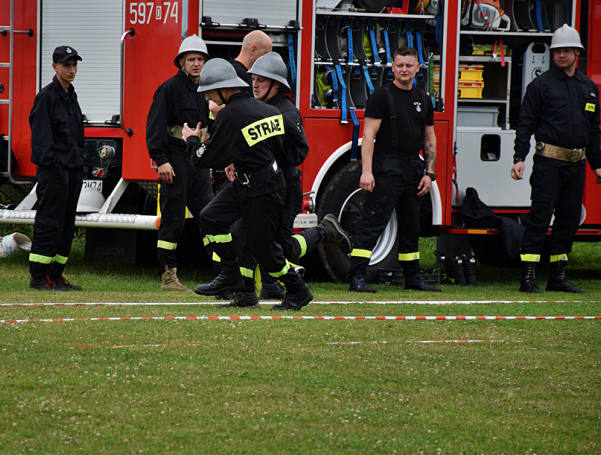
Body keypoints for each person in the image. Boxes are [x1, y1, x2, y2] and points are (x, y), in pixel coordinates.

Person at [182, 58, 314, 311]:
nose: (208, 96)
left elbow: (205, 159)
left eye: (209, 91)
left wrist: (191, 141)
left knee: (267, 254)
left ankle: (298, 290)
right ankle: (233, 275)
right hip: (250, 185)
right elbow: (290, 147)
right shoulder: (267, 111)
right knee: (210, 216)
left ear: (223, 88)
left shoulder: (229, 115)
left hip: (263, 193)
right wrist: (243, 160)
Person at [231, 52, 351, 302]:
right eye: (253, 79)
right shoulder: (259, 108)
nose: (255, 84)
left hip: (285, 191)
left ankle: (324, 231)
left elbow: (298, 152)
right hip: (266, 190)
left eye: (261, 80)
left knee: (280, 249)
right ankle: (260, 288)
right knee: (246, 234)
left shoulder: (287, 113)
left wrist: (267, 157)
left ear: (276, 85)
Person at [511, 24, 601, 293]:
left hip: (576, 164)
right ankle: (528, 278)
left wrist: (597, 165)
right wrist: (519, 157)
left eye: (566, 51)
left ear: (577, 52)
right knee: (540, 218)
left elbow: (594, 128)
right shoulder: (541, 86)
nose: (561, 55)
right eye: (557, 51)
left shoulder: (588, 87)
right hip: (548, 162)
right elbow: (525, 124)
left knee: (567, 220)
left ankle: (557, 277)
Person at [346, 46, 440, 293]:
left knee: (411, 225)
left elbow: (430, 138)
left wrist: (429, 174)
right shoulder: (381, 96)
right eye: (399, 65)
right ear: (392, 67)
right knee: (373, 222)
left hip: (414, 166)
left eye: (409, 65)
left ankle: (412, 278)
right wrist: (367, 172)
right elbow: (368, 136)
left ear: (418, 68)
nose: (404, 69)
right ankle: (356, 278)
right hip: (387, 166)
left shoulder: (423, 99)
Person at [145, 35, 215, 291]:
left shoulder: (207, 89)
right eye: (191, 59)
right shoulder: (169, 88)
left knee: (209, 215)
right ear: (182, 62)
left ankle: (222, 271)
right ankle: (168, 276)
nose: (196, 64)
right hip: (175, 161)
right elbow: (154, 128)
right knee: (173, 218)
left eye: (200, 59)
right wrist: (161, 160)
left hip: (200, 161)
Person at [28, 45, 86, 291]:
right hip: (54, 173)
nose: (71, 69)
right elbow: (41, 142)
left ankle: (55, 276)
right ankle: (38, 279)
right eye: (66, 65)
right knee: (49, 224)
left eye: (74, 65)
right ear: (55, 67)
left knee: (66, 226)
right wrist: (55, 170)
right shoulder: (46, 97)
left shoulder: (71, 95)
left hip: (73, 172)